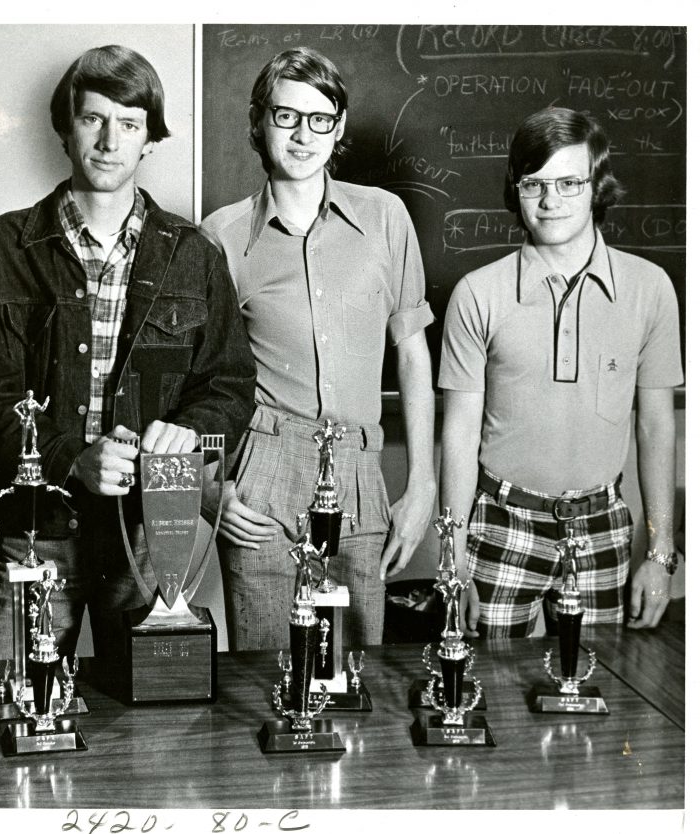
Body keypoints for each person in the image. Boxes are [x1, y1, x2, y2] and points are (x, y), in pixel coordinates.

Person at [0, 45, 255, 664]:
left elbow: (229, 385)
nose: (110, 141)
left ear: (149, 141)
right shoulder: (3, 247)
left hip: (149, 531)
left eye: (130, 123)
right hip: (39, 527)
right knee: (20, 711)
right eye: (93, 119)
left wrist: (187, 433)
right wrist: (70, 460)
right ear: (65, 129)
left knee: (152, 730)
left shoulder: (194, 254)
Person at [200, 47, 436, 650]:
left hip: (360, 467)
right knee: (268, 666)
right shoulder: (220, 235)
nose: (303, 134)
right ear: (258, 122)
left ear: (338, 130)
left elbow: (412, 355)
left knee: (357, 666)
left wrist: (422, 486)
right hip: (264, 466)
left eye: (320, 118)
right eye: (285, 116)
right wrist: (211, 488)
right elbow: (199, 380)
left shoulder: (386, 218)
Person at [439, 106, 682, 638]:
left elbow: (656, 427)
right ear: (515, 189)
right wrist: (451, 553)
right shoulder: (478, 293)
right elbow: (457, 432)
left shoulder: (651, 289)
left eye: (569, 182)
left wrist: (661, 552)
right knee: (488, 694)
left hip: (602, 527)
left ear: (597, 185)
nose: (550, 201)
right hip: (501, 524)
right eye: (534, 184)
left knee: (596, 689)